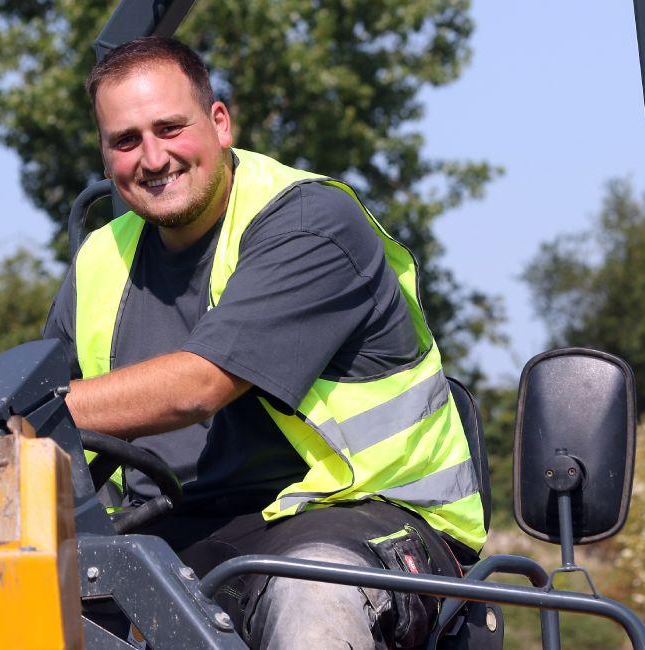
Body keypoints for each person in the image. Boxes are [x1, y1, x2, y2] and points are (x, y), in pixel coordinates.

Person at [43, 36, 486, 649]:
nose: (152, 157)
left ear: (219, 123)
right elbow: (48, 418)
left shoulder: (308, 222)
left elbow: (199, 385)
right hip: (173, 534)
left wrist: (18, 415)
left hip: (358, 519)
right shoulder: (99, 262)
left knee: (313, 592)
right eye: (126, 141)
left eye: (170, 128)